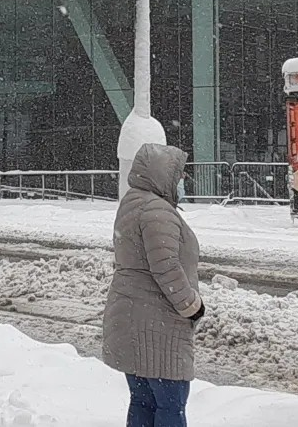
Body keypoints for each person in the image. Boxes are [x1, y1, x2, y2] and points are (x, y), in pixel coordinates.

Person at [102, 143, 204, 427]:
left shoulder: (133, 203)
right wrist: (192, 306)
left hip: (132, 319)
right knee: (171, 404)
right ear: (163, 174)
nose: (181, 181)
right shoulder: (156, 210)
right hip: (157, 326)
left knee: (143, 400)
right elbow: (166, 267)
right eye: (179, 175)